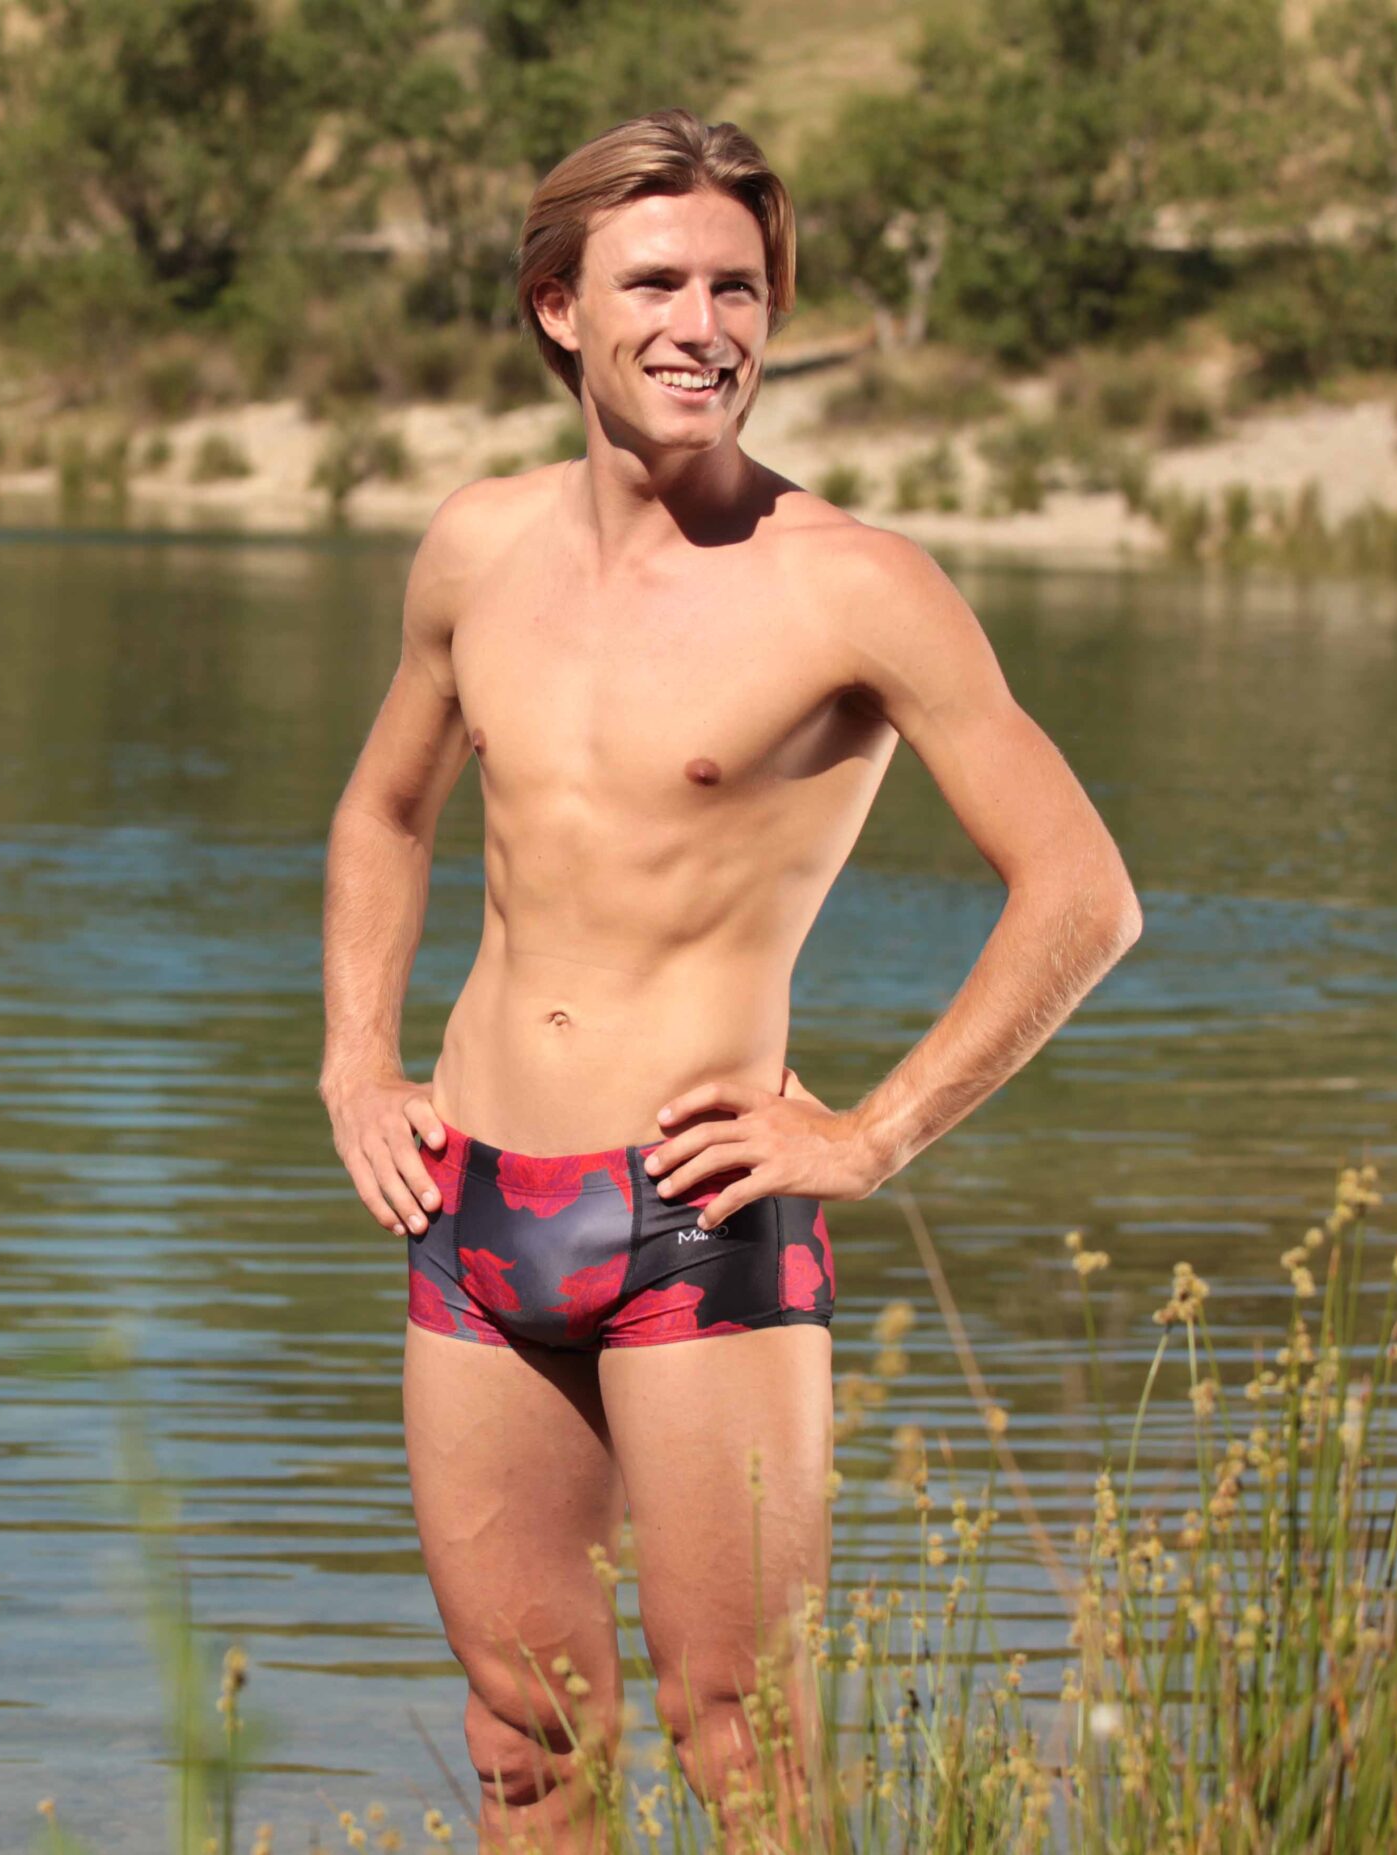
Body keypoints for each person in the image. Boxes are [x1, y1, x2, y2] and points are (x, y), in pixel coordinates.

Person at [317, 108, 1141, 1851]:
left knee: (740, 1745)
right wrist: (353, 1063)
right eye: (658, 284)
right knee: (526, 1742)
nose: (706, 326)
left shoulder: (853, 588)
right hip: (470, 1205)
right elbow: (385, 809)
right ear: (560, 308)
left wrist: (876, 1135)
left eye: (740, 288)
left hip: (698, 1219)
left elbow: (1084, 893)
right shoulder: (475, 549)